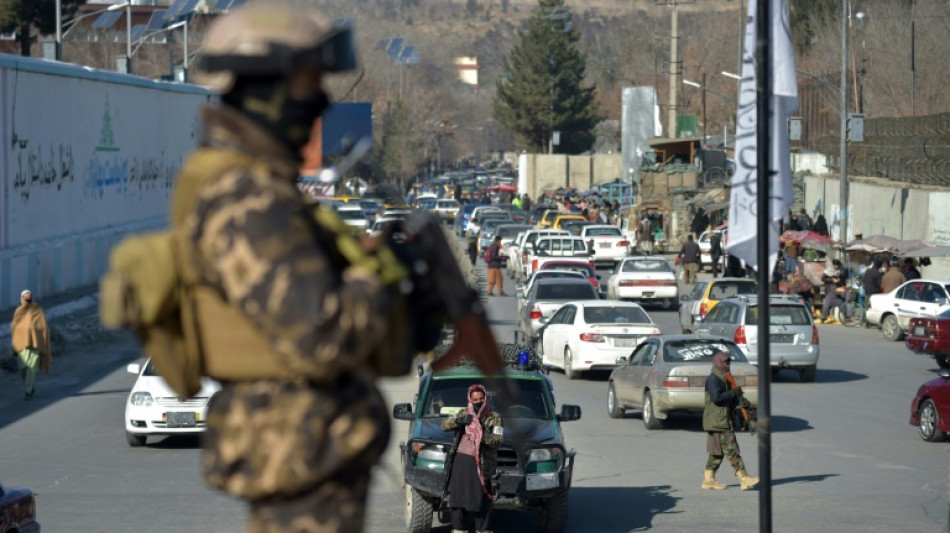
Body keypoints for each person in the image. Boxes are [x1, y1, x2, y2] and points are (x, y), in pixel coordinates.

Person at [185, 4, 402, 531]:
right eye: (308, 84)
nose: (322, 99)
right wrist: (377, 279)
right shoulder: (246, 199)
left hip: (309, 453)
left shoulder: (257, 186)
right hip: (297, 458)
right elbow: (320, 336)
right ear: (266, 88)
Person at [441, 384, 503, 533]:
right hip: (461, 461)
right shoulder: (463, 412)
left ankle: (482, 529)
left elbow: (498, 440)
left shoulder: (494, 417)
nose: (478, 402)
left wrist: (481, 434)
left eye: (481, 399)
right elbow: (444, 425)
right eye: (475, 399)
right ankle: (459, 529)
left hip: (481, 464)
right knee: (458, 498)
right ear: (470, 399)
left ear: (486, 399)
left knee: (480, 499)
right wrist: (459, 421)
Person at [702, 351, 759, 491]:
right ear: (718, 363)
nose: (729, 364)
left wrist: (741, 401)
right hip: (718, 421)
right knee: (731, 449)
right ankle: (744, 478)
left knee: (717, 452)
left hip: (721, 420)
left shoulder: (724, 378)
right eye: (726, 362)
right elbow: (717, 398)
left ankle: (709, 479)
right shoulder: (714, 379)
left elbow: (728, 400)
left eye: (729, 362)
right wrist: (733, 393)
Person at [11, 289, 51, 400]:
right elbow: (14, 328)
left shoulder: (38, 311)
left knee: (32, 369)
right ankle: (30, 386)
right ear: (22, 298)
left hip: (35, 344)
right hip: (22, 345)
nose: (27, 299)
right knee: (22, 368)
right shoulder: (18, 311)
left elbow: (43, 328)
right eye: (25, 297)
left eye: (29, 297)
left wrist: (42, 341)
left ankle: (28, 391)